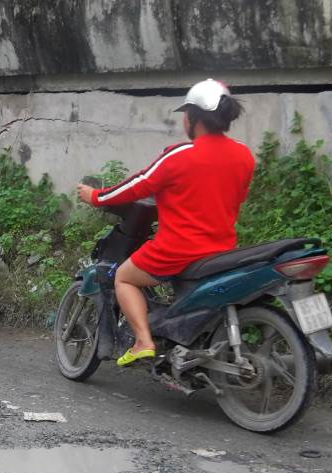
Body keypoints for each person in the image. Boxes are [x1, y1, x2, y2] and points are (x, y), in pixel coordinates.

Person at [76, 79, 254, 367]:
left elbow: (139, 184)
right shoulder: (243, 155)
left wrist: (96, 196)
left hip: (177, 250)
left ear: (194, 118)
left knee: (123, 277)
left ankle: (143, 341)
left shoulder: (180, 154)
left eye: (186, 114)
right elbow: (235, 197)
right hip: (222, 251)